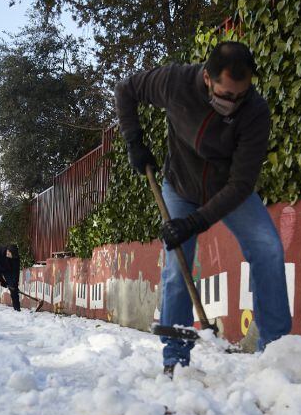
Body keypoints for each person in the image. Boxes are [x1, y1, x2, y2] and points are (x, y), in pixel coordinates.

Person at [114, 40, 291, 374]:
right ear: (208, 78)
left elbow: (242, 184)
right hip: (181, 184)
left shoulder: (255, 111)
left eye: (240, 95)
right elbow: (126, 89)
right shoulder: (175, 82)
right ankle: (175, 359)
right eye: (226, 95)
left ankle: (276, 355)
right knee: (177, 268)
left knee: (268, 248)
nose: (233, 104)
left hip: (227, 190)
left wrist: (196, 222)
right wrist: (134, 141)